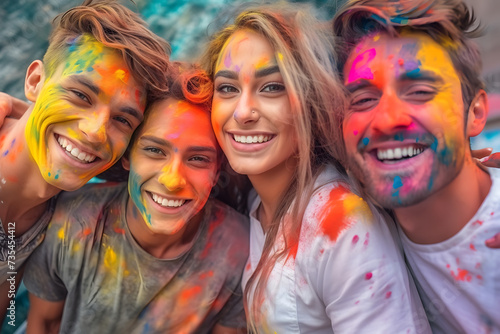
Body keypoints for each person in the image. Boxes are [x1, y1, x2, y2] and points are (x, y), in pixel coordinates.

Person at [201, 4, 430, 333]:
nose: (243, 112)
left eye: (272, 87)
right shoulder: (251, 203)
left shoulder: (343, 223)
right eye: (227, 88)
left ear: (313, 101)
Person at [23, 63, 249, 334]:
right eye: (155, 150)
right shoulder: (70, 221)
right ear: (128, 155)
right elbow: (45, 324)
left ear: (216, 171)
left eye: (198, 159)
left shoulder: (241, 250)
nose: (172, 180)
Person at [333, 0, 500, 332]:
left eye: (420, 92)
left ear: (476, 113)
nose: (386, 120)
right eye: (363, 99)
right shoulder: (356, 230)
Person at [0, 0, 170, 319]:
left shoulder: (55, 213)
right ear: (36, 82)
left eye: (122, 120)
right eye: (80, 96)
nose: (95, 132)